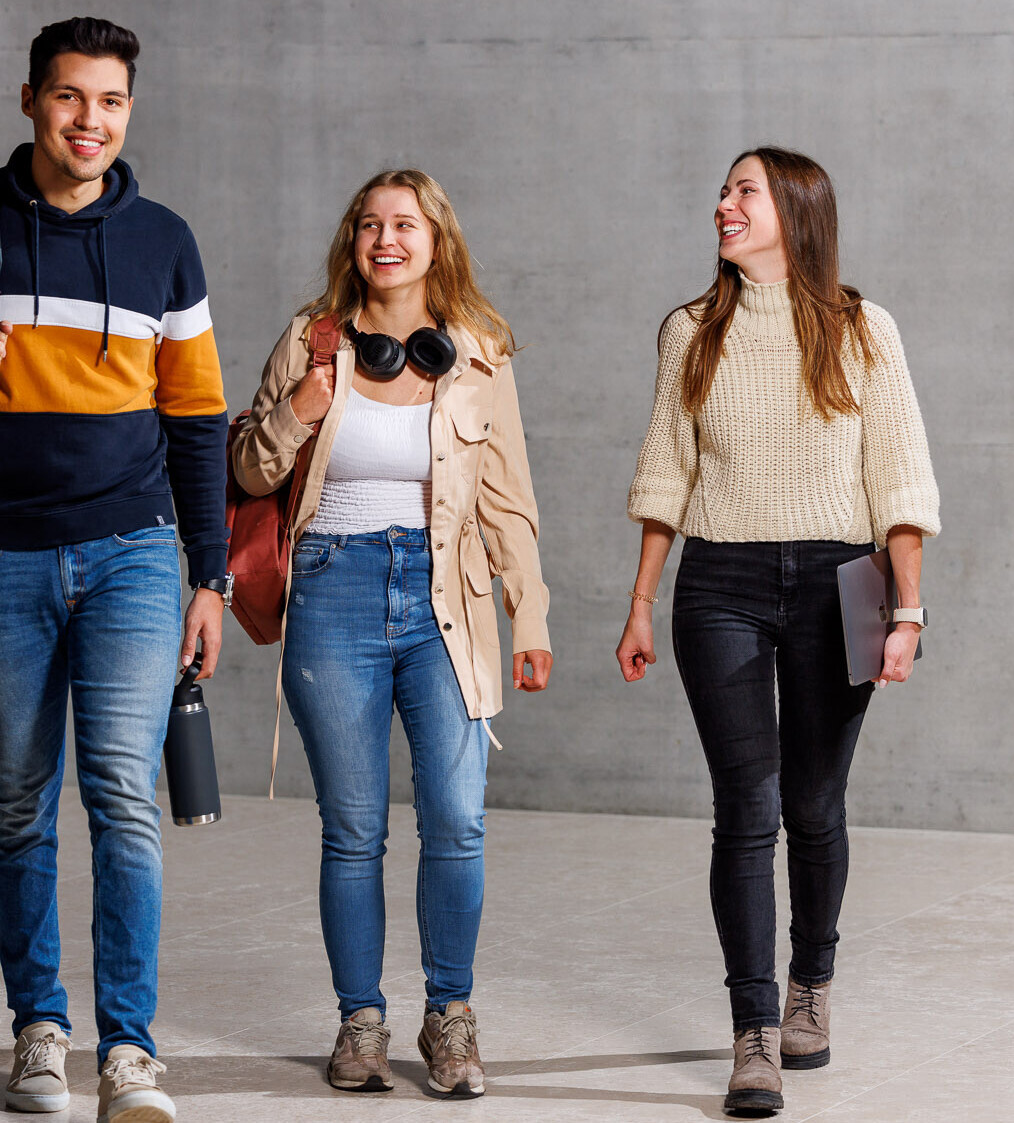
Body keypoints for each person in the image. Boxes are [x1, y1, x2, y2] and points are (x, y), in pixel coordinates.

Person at [0, 17, 230, 1123]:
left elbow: (201, 421)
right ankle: (39, 1030)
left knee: (122, 795)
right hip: (0, 555)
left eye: (111, 102)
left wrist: (207, 576)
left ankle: (129, 1051)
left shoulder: (166, 240)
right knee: (21, 801)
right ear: (30, 100)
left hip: (131, 554)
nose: (91, 122)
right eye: (71, 98)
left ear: (130, 110)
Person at [616, 147, 939, 1118]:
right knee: (745, 806)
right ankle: (753, 1030)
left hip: (845, 581)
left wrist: (908, 609)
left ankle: (812, 986)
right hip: (720, 580)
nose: (723, 204)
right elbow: (665, 475)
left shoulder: (861, 327)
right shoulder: (690, 332)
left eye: (743, 191)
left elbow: (901, 481)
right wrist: (640, 600)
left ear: (794, 210)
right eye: (723, 190)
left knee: (814, 800)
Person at [230, 170, 551, 1099]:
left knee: (456, 819)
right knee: (354, 828)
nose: (385, 238)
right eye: (369, 223)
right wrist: (298, 410)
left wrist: (528, 614)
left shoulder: (480, 352)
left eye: (404, 224)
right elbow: (249, 474)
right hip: (332, 589)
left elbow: (509, 500)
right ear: (353, 240)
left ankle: (449, 1017)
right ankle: (359, 1021)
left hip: (446, 592)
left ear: (436, 239)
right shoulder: (311, 339)